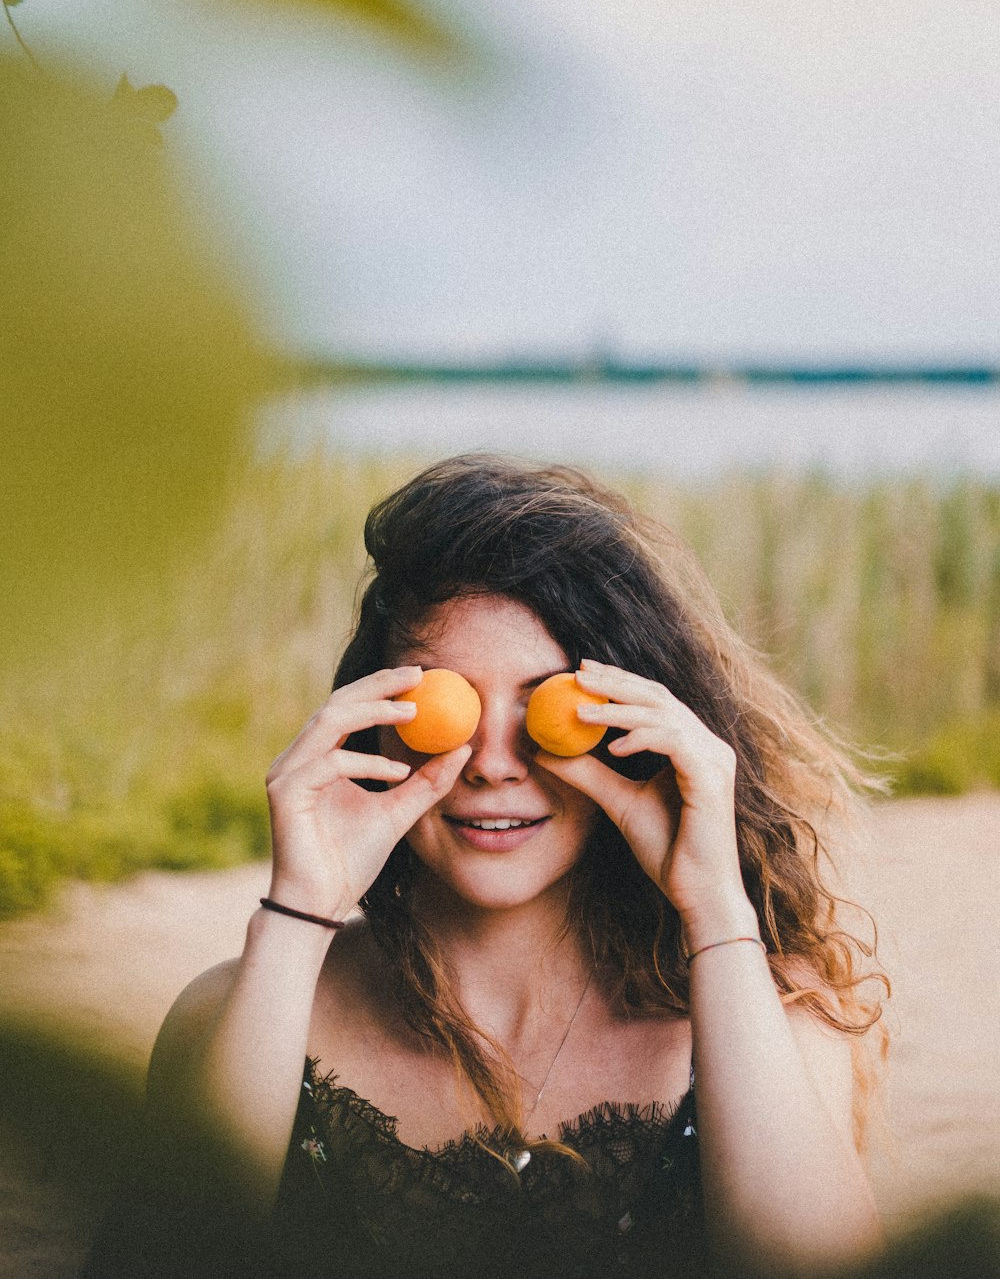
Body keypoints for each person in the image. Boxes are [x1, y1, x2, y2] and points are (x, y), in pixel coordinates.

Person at [85, 455, 888, 1279]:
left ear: (632, 727)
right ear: (373, 724)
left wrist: (716, 911)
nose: (492, 765)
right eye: (446, 706)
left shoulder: (773, 1018)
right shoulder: (232, 1014)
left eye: (548, 708)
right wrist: (298, 914)